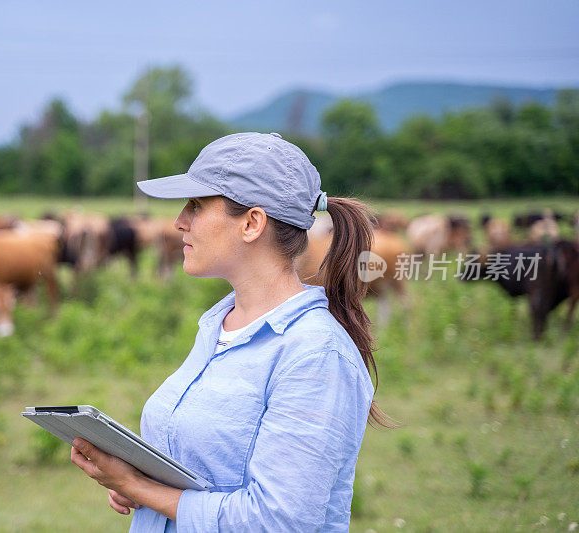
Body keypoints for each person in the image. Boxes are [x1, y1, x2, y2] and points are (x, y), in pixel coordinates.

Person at [69, 132, 394, 531]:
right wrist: (142, 485)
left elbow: (278, 521)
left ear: (252, 223)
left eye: (196, 206)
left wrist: (138, 485)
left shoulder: (315, 354)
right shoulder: (218, 325)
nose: (179, 222)